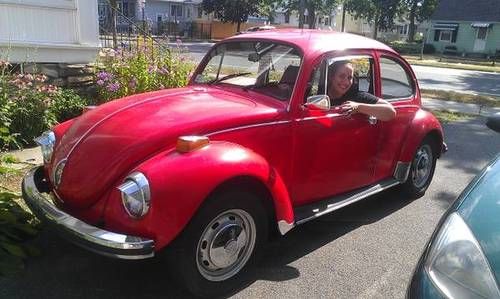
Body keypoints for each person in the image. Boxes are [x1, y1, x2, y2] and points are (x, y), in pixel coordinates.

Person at [327, 61, 396, 121]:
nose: (346, 82)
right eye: (342, 76)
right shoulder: (319, 95)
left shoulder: (357, 97)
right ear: (331, 77)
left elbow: (391, 112)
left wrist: (358, 107)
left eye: (350, 78)